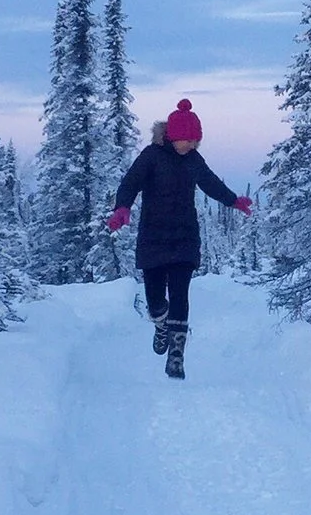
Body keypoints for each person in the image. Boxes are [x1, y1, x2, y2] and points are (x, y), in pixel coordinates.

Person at [106, 98, 250, 379]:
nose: (191, 146)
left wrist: (233, 201)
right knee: (156, 300)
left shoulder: (194, 160)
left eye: (195, 141)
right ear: (172, 136)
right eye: (187, 140)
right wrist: (122, 208)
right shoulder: (151, 156)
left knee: (181, 294)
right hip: (154, 237)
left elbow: (210, 182)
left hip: (184, 236)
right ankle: (161, 324)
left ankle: (176, 355)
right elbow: (130, 182)